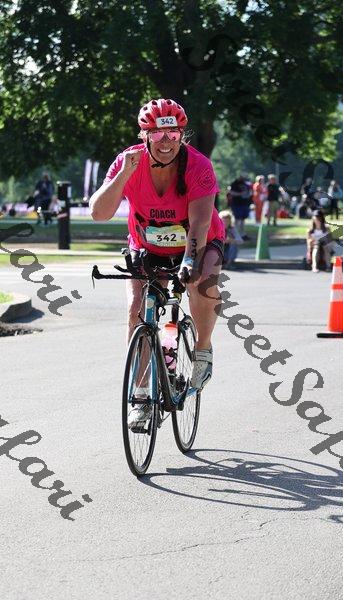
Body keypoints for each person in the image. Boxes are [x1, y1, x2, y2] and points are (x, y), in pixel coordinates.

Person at [89, 98, 225, 428]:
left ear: (181, 135)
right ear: (145, 135)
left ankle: (203, 351)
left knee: (202, 283)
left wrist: (190, 261)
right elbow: (99, 213)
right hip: (147, 245)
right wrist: (123, 175)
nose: (166, 142)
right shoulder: (128, 162)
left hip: (198, 240)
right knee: (136, 309)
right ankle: (140, 397)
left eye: (173, 134)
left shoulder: (198, 166)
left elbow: (200, 224)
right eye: (158, 134)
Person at [229, 175, 252, 239]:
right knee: (237, 219)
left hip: (245, 204)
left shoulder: (245, 183)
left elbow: (249, 191)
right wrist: (240, 194)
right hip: (237, 204)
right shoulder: (234, 183)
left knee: (243, 219)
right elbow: (231, 192)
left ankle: (242, 234)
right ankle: (235, 234)